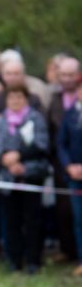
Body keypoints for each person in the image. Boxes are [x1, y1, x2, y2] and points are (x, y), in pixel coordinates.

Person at [0, 85, 50, 274]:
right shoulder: (0, 121)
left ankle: (33, 260)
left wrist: (20, 157)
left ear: (26, 99)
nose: (15, 101)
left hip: (31, 176)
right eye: (11, 97)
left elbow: (42, 146)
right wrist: (5, 159)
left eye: (19, 97)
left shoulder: (36, 119)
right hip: (7, 178)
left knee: (33, 220)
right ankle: (14, 260)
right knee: (11, 220)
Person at [57, 79, 82, 276]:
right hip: (75, 176)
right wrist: (69, 166)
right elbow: (61, 144)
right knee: (79, 219)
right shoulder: (70, 114)